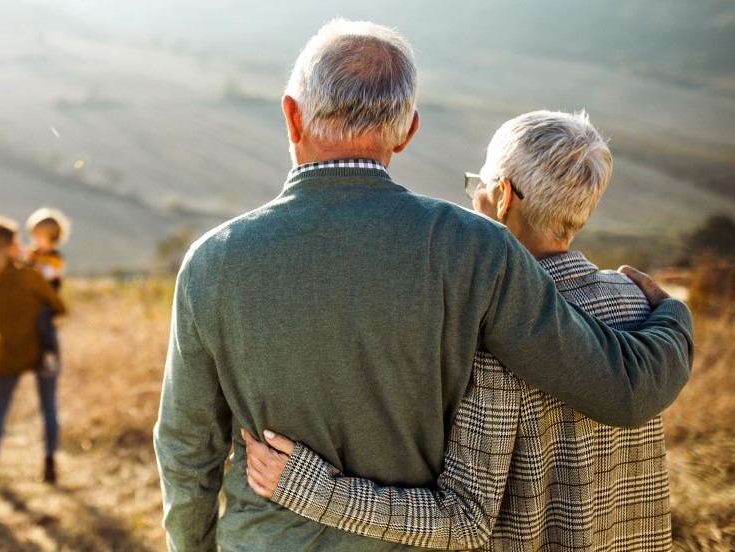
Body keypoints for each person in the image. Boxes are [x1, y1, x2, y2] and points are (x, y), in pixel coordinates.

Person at [152, 19, 693, 552]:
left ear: (291, 117)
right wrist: (671, 315)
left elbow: (187, 449)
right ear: (408, 131)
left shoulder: (212, 261)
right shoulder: (476, 248)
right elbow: (619, 389)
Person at [244, 110, 675, 550]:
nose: (473, 200)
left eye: (478, 186)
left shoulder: (494, 329)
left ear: (503, 197)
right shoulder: (638, 302)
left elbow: (466, 520)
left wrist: (312, 489)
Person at [0, 214, 68, 485]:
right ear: (6, 246)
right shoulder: (28, 276)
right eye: (16, 241)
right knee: (48, 407)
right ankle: (49, 465)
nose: (22, 245)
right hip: (42, 348)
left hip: (8, 349)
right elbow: (59, 306)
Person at [24, 207, 71, 375]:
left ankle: (49, 354)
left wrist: (33, 267)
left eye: (39, 236)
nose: (35, 240)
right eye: (34, 236)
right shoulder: (32, 253)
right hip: (33, 299)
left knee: (44, 322)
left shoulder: (56, 258)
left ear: (52, 237)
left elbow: (49, 275)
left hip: (48, 300)